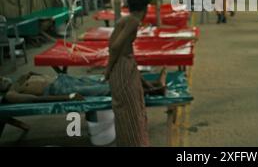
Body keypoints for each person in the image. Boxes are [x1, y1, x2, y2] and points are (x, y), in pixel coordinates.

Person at [104, 0, 153, 147]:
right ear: (144, 8)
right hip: (122, 68)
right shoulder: (133, 21)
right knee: (132, 114)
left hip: (123, 68)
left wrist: (141, 81)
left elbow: (117, 46)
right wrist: (108, 69)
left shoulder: (126, 19)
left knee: (127, 114)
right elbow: (116, 46)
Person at [0, 70, 166, 104]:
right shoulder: (11, 94)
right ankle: (151, 91)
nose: (2, 78)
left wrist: (29, 76)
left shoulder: (17, 81)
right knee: (104, 89)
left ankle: (153, 85)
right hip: (61, 90)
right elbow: (37, 100)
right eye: (0, 80)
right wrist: (67, 97)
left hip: (64, 79)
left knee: (105, 80)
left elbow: (29, 72)